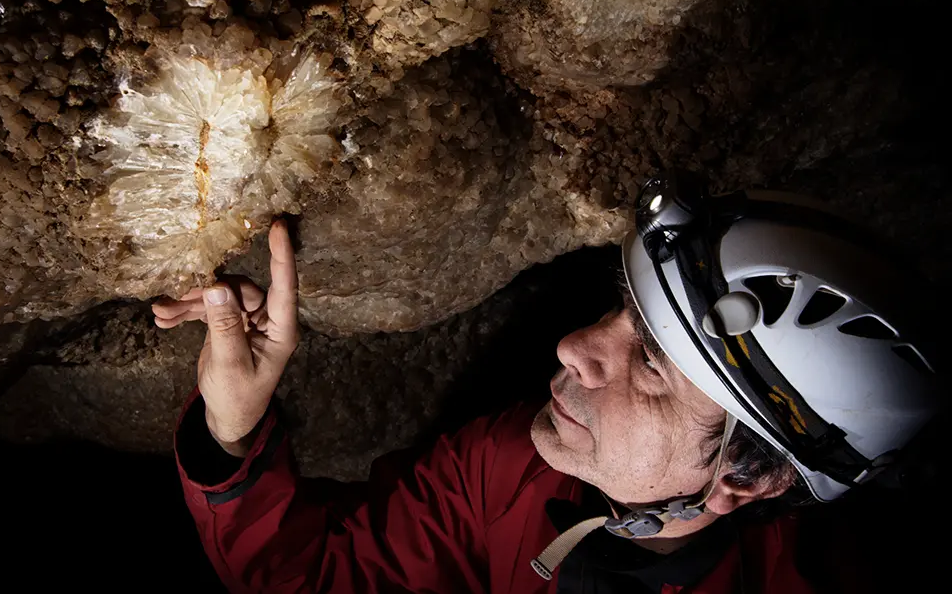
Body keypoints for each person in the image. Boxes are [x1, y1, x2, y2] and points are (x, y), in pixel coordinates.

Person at [153, 175, 942, 593]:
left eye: (650, 368)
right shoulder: (514, 470)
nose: (573, 348)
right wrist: (234, 428)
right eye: (621, 315)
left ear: (744, 479)